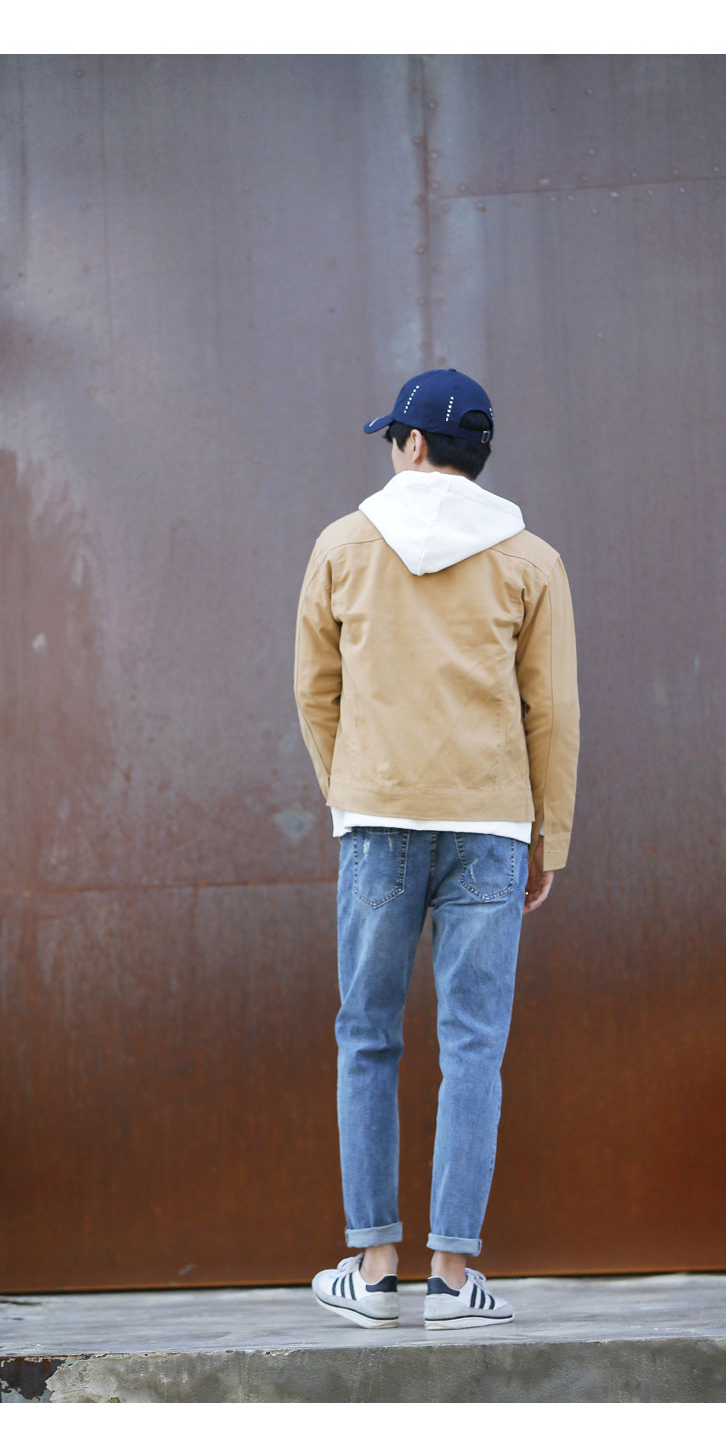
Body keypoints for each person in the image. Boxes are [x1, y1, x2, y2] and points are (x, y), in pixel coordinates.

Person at [294, 366, 579, 1324]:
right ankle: (453, 1277)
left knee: (367, 1037)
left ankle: (374, 1270)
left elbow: (314, 690)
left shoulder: (343, 544)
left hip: (379, 822)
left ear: (412, 445)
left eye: (393, 438)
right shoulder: (532, 559)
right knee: (474, 1050)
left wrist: (351, 789)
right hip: (490, 824)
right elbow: (553, 710)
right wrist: (549, 835)